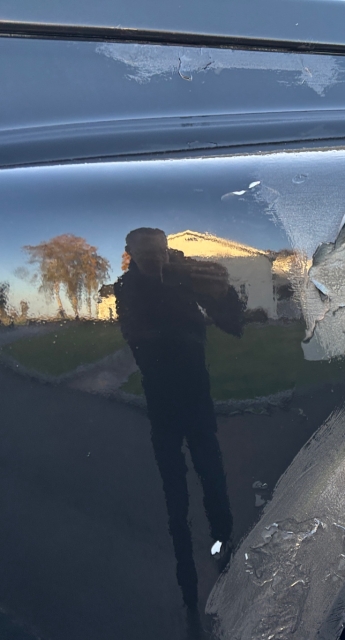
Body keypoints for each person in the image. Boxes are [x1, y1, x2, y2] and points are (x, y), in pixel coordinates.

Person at [115, 227, 243, 612]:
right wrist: (179, 301)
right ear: (131, 254)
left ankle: (225, 545)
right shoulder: (127, 288)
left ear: (167, 249)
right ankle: (184, 569)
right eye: (146, 253)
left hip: (196, 394)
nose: (155, 258)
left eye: (160, 251)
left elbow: (232, 324)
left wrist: (222, 293)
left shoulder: (185, 278)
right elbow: (137, 335)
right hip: (161, 401)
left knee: (212, 472)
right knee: (173, 487)